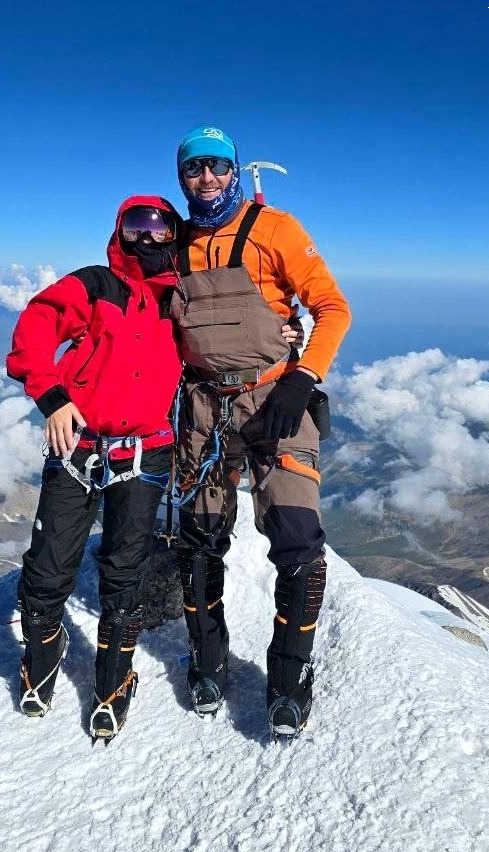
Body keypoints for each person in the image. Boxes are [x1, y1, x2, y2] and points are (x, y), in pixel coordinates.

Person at [171, 126, 352, 739]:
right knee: (198, 540)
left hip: (276, 396)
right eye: (194, 167)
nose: (207, 178)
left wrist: (304, 376)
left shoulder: (277, 229)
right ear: (182, 176)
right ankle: (208, 660)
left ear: (234, 170)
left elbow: (332, 307)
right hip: (204, 405)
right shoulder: (176, 242)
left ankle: (289, 678)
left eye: (218, 166)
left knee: (297, 540)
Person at [6, 196, 184, 743]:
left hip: (146, 449)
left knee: (126, 570)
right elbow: (38, 322)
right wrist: (51, 395)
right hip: (78, 444)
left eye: (159, 227)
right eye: (135, 225)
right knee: (48, 564)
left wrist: (287, 335)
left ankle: (113, 677)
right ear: (119, 231)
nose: (146, 237)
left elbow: (232, 335)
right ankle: (43, 655)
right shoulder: (95, 284)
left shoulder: (182, 299)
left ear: (174, 236)